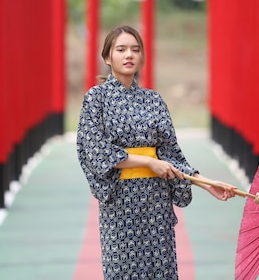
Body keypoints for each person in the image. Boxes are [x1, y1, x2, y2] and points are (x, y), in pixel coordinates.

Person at [76, 25, 237, 279]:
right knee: (123, 271)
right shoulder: (95, 99)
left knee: (160, 271)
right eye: (121, 49)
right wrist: (148, 163)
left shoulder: (154, 101)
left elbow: (171, 156)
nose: (129, 55)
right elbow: (97, 151)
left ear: (141, 58)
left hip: (156, 204)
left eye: (135, 50)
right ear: (107, 57)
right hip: (120, 203)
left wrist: (207, 183)